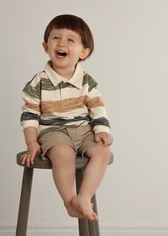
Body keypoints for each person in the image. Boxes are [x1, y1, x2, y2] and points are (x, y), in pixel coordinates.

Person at [19, 14, 113, 221]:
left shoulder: (86, 81)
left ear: (83, 52)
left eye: (70, 40)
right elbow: (29, 114)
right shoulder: (38, 82)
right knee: (63, 154)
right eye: (56, 38)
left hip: (83, 129)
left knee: (103, 152)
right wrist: (32, 142)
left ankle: (84, 197)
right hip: (53, 132)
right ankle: (69, 200)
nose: (61, 43)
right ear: (46, 46)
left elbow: (97, 107)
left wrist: (102, 130)